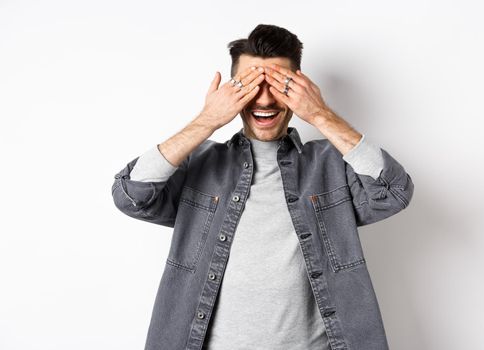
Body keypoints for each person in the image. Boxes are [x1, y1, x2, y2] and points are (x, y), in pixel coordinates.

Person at [111, 24, 414, 350]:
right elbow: (131, 194)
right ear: (231, 91)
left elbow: (394, 191)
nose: (265, 99)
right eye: (251, 85)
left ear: (301, 88)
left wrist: (321, 115)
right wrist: (208, 120)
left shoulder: (331, 164)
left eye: (279, 85)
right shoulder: (199, 163)